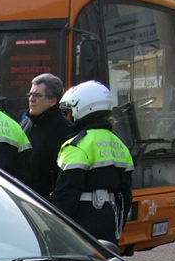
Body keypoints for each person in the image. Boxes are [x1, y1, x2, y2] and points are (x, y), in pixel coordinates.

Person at [50, 80, 134, 243]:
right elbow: (126, 195)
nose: (71, 115)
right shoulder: (119, 144)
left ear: (82, 107)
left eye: (72, 110)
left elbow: (67, 193)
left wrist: (56, 228)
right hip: (110, 221)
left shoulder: (77, 144)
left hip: (81, 222)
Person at [20, 73, 72, 198]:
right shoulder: (26, 123)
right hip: (22, 197)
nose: (31, 99)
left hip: (45, 203)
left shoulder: (66, 130)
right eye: (30, 94)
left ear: (53, 100)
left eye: (37, 95)